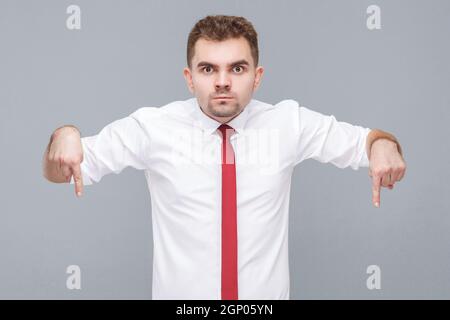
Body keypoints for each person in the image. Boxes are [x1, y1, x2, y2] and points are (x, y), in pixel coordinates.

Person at [42, 15, 406, 300]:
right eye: (208, 69)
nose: (222, 81)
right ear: (189, 78)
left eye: (237, 68)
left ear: (257, 76)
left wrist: (383, 145)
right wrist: (64, 135)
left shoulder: (288, 123)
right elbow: (63, 170)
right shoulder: (152, 127)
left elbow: (368, 141)